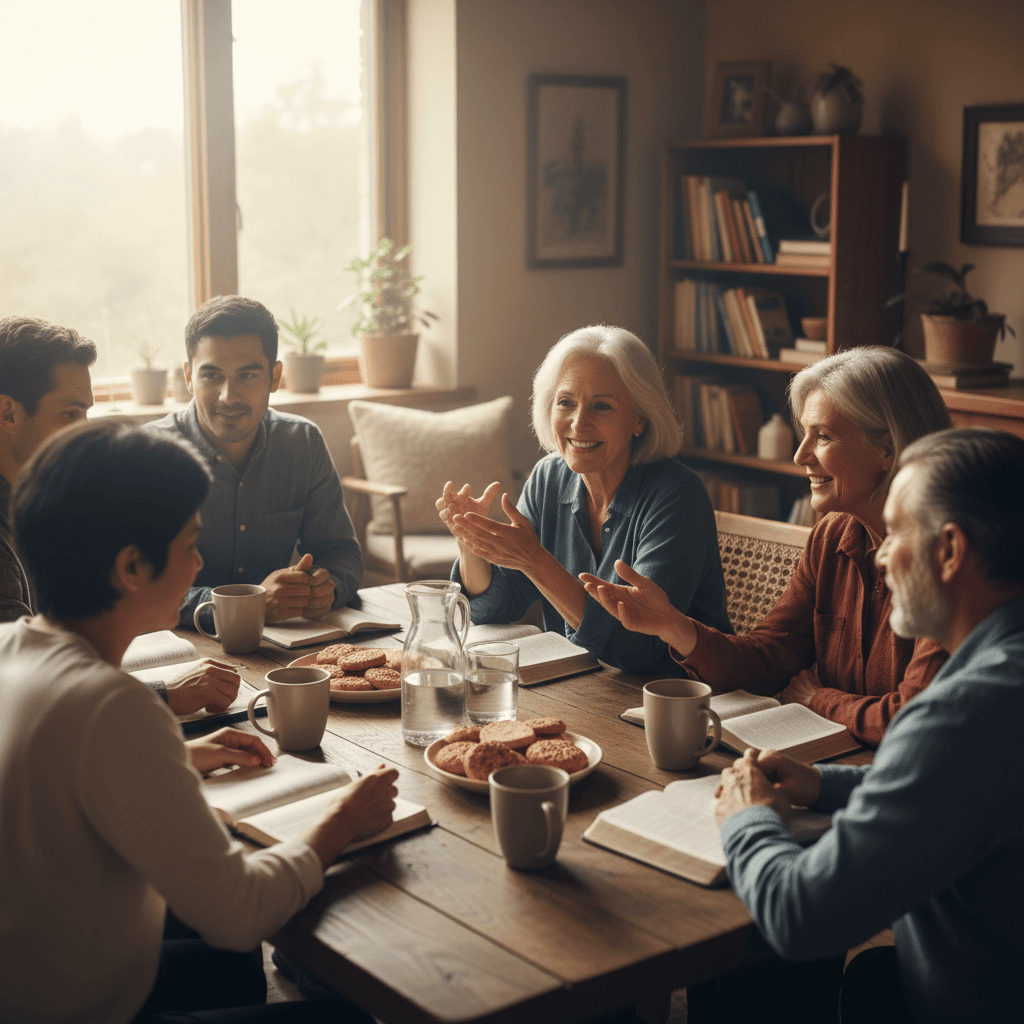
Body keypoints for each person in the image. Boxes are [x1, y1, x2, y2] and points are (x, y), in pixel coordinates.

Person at [0, 418, 398, 1024]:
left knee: (228, 963)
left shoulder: (13, 648)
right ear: (132, 567)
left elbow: (47, 776)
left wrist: (176, 758)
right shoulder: (113, 706)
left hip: (30, 975)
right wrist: (341, 823)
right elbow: (240, 912)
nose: (199, 563)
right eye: (189, 544)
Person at [713, 427, 1024, 1024]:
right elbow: (961, 789)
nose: (881, 555)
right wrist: (823, 784)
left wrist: (746, 816)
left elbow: (801, 917)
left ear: (950, 550)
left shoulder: (960, 714)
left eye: (898, 531)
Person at [582, 346, 953, 745]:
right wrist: (674, 625)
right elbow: (767, 659)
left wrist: (818, 698)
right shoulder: (830, 538)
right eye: (804, 434)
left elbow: (914, 721)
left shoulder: (948, 561)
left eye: (823, 436)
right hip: (833, 763)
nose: (799, 455)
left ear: (888, 450)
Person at [438, 325, 731, 678]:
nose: (578, 423)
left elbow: (638, 649)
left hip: (674, 699)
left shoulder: (677, 495)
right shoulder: (549, 477)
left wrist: (535, 560)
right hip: (582, 688)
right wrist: (472, 544)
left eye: (601, 407)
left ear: (639, 418)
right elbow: (495, 608)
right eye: (566, 402)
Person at [0, 315, 238, 715]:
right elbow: (22, 686)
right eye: (69, 414)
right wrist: (163, 694)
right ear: (8, 413)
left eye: (86, 414)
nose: (84, 433)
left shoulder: (41, 499)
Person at [147, 295, 361, 626]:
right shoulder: (148, 454)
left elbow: (341, 552)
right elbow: (137, 591)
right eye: (212, 375)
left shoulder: (302, 442)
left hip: (281, 643)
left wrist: (325, 588)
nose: (228, 396)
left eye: (247, 376)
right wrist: (247, 605)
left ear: (275, 377)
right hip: (178, 649)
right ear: (188, 377)